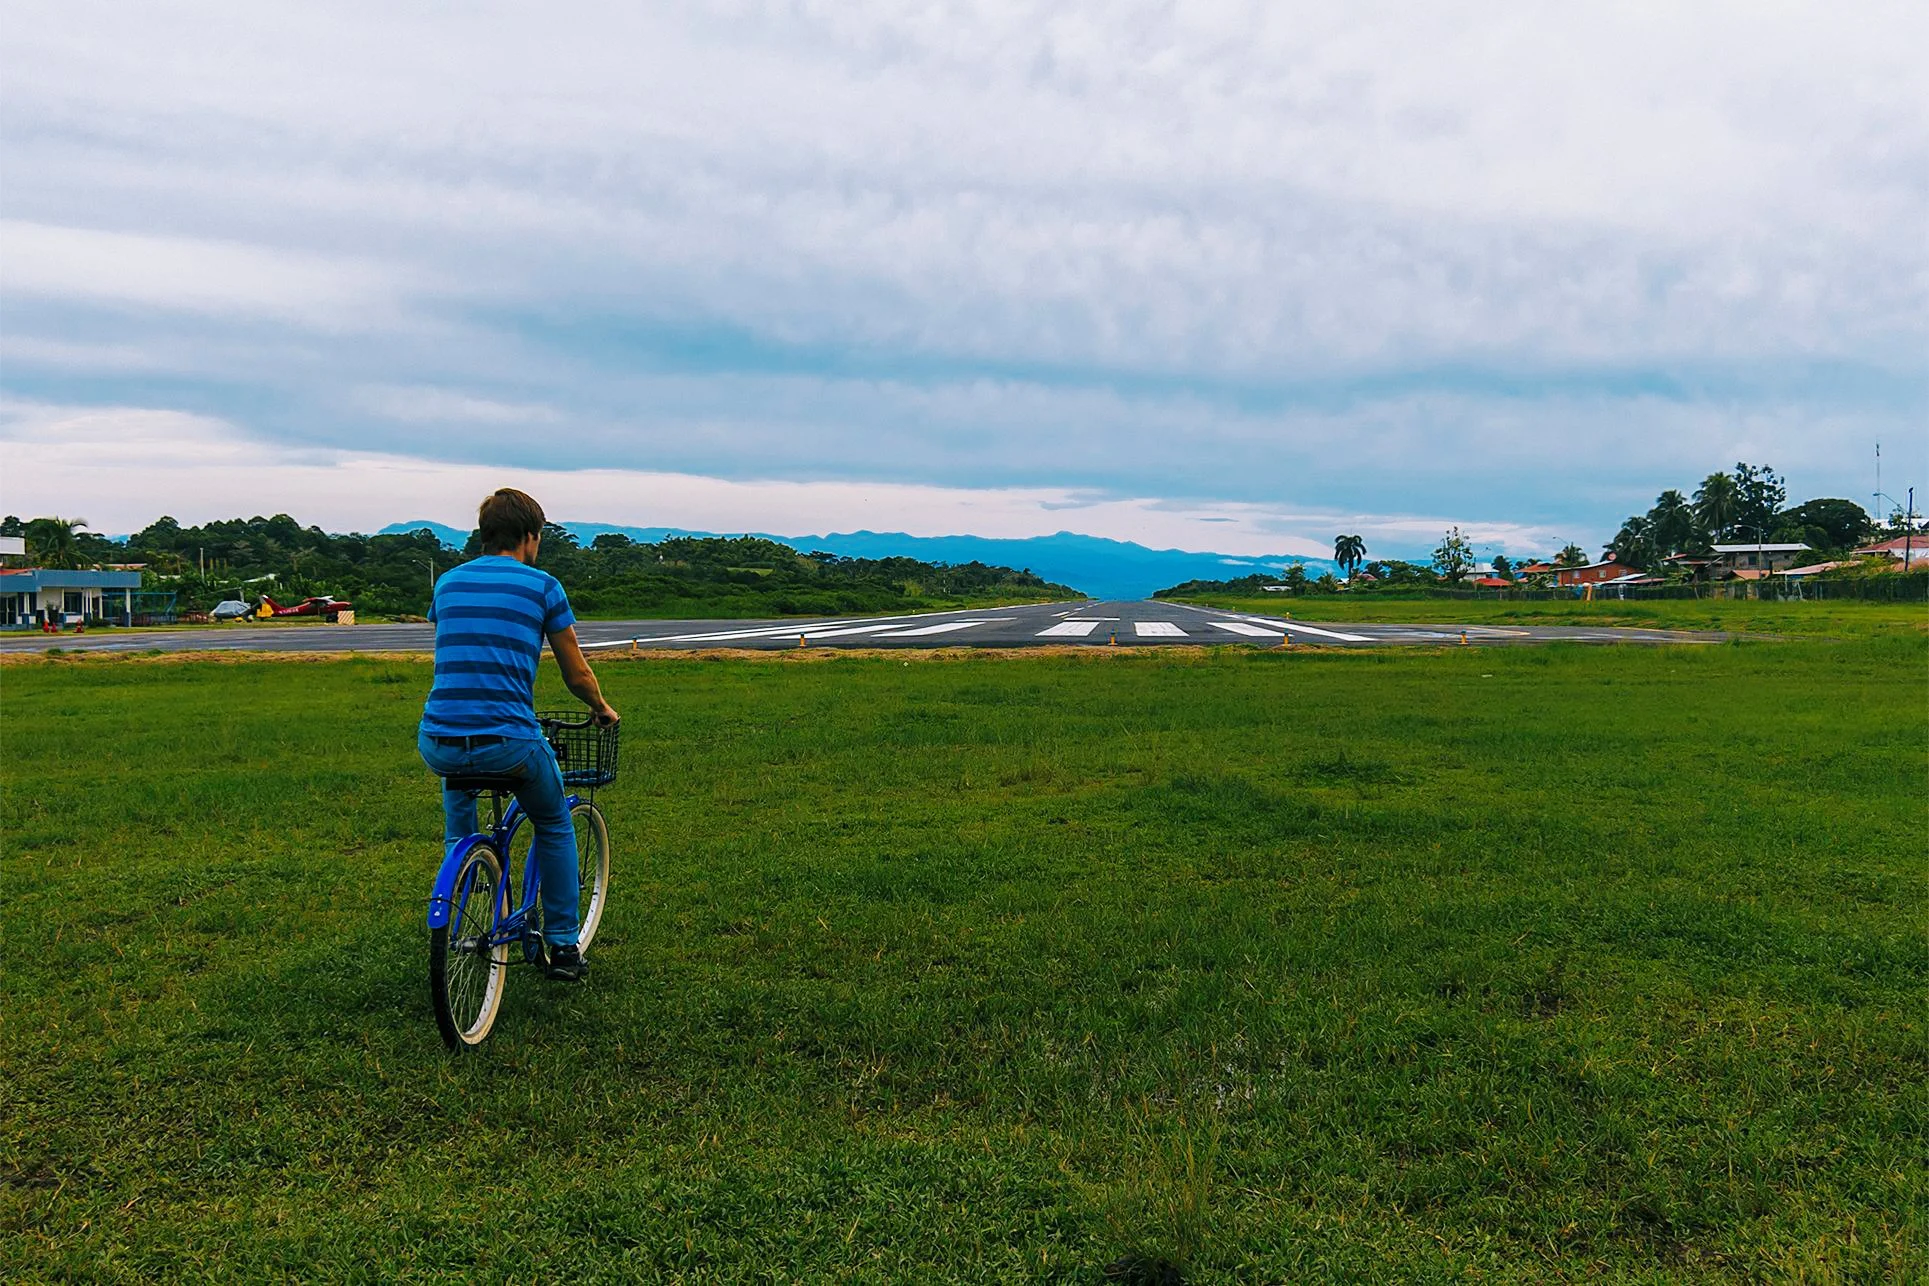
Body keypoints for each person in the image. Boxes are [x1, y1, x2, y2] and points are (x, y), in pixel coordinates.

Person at [417, 488, 618, 982]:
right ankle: (564, 945)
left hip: (438, 737)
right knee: (552, 821)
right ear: (530, 537)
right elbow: (576, 674)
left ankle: (467, 884)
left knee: (459, 792)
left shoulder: (447, 584)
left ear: (485, 535)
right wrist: (601, 707)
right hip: (510, 739)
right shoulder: (543, 586)